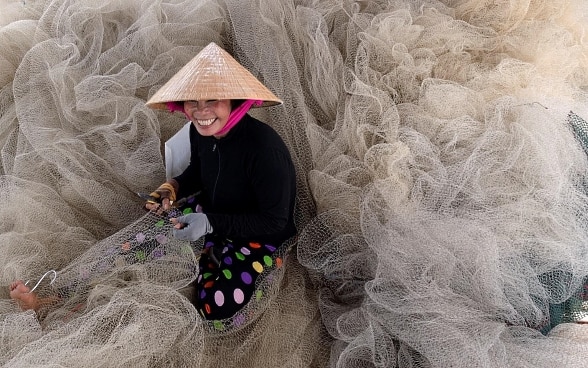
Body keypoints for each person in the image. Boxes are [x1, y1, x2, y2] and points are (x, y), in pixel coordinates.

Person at [9, 42, 297, 323]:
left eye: (212, 100)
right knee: (128, 250)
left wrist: (210, 225)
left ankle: (205, 259)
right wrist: (172, 187)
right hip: (206, 211)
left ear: (235, 101)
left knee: (218, 310)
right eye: (193, 101)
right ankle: (54, 299)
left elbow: (274, 221)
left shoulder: (264, 149)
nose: (201, 111)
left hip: (259, 235)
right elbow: (199, 171)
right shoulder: (200, 132)